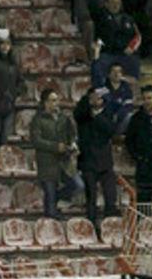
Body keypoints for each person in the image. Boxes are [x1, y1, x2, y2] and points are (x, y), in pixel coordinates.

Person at [30, 89, 81, 219]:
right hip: (47, 162)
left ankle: (55, 198)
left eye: (56, 100)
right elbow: (36, 141)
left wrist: (73, 143)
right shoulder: (37, 120)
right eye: (53, 100)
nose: (56, 103)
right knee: (51, 209)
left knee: (78, 185)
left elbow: (72, 134)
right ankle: (51, 209)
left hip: (64, 160)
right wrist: (55, 147)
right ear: (45, 103)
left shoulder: (64, 117)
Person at [74, 89, 119, 232]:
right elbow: (78, 114)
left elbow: (110, 130)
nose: (95, 101)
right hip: (88, 162)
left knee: (110, 196)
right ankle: (92, 227)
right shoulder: (83, 113)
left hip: (105, 162)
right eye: (92, 98)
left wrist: (96, 116)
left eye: (98, 98)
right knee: (91, 198)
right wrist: (87, 101)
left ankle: (110, 226)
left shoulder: (108, 113)